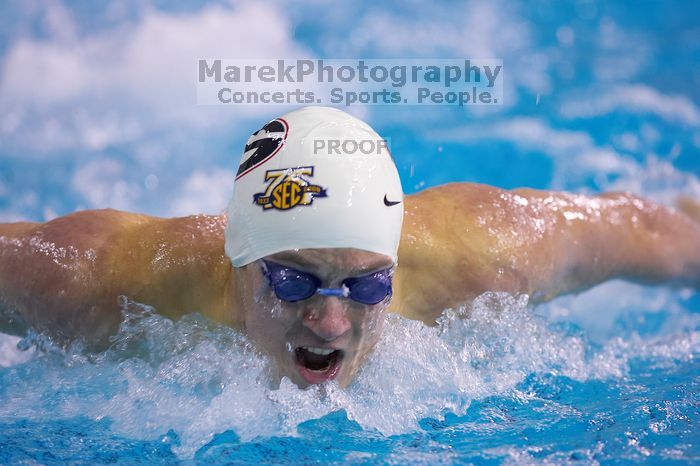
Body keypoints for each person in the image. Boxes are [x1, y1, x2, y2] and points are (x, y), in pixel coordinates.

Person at [0, 106, 699, 388]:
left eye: (366, 286)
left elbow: (655, 233)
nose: (332, 324)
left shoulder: (487, 255)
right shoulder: (95, 283)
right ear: (239, 260)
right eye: (295, 281)